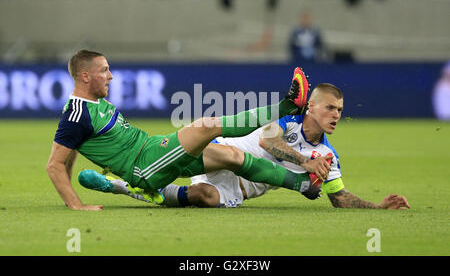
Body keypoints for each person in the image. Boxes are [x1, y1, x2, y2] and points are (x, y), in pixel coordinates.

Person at [46, 49, 317, 210]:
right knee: (206, 126)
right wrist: (75, 204)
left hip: (152, 149)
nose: (111, 75)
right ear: (84, 76)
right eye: (104, 70)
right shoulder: (76, 114)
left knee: (231, 155)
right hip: (145, 165)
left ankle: (303, 184)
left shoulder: (95, 104)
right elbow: (55, 164)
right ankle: (288, 106)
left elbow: (70, 154)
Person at [80, 83, 410, 210]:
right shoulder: (287, 125)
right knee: (227, 152)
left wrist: (376, 208)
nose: (336, 115)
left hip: (240, 186)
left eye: (340, 110)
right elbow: (269, 140)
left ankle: (121, 187)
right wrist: (302, 164)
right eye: (330, 108)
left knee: (204, 197)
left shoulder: (327, 156)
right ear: (310, 107)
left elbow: (338, 197)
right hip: (223, 151)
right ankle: (134, 179)